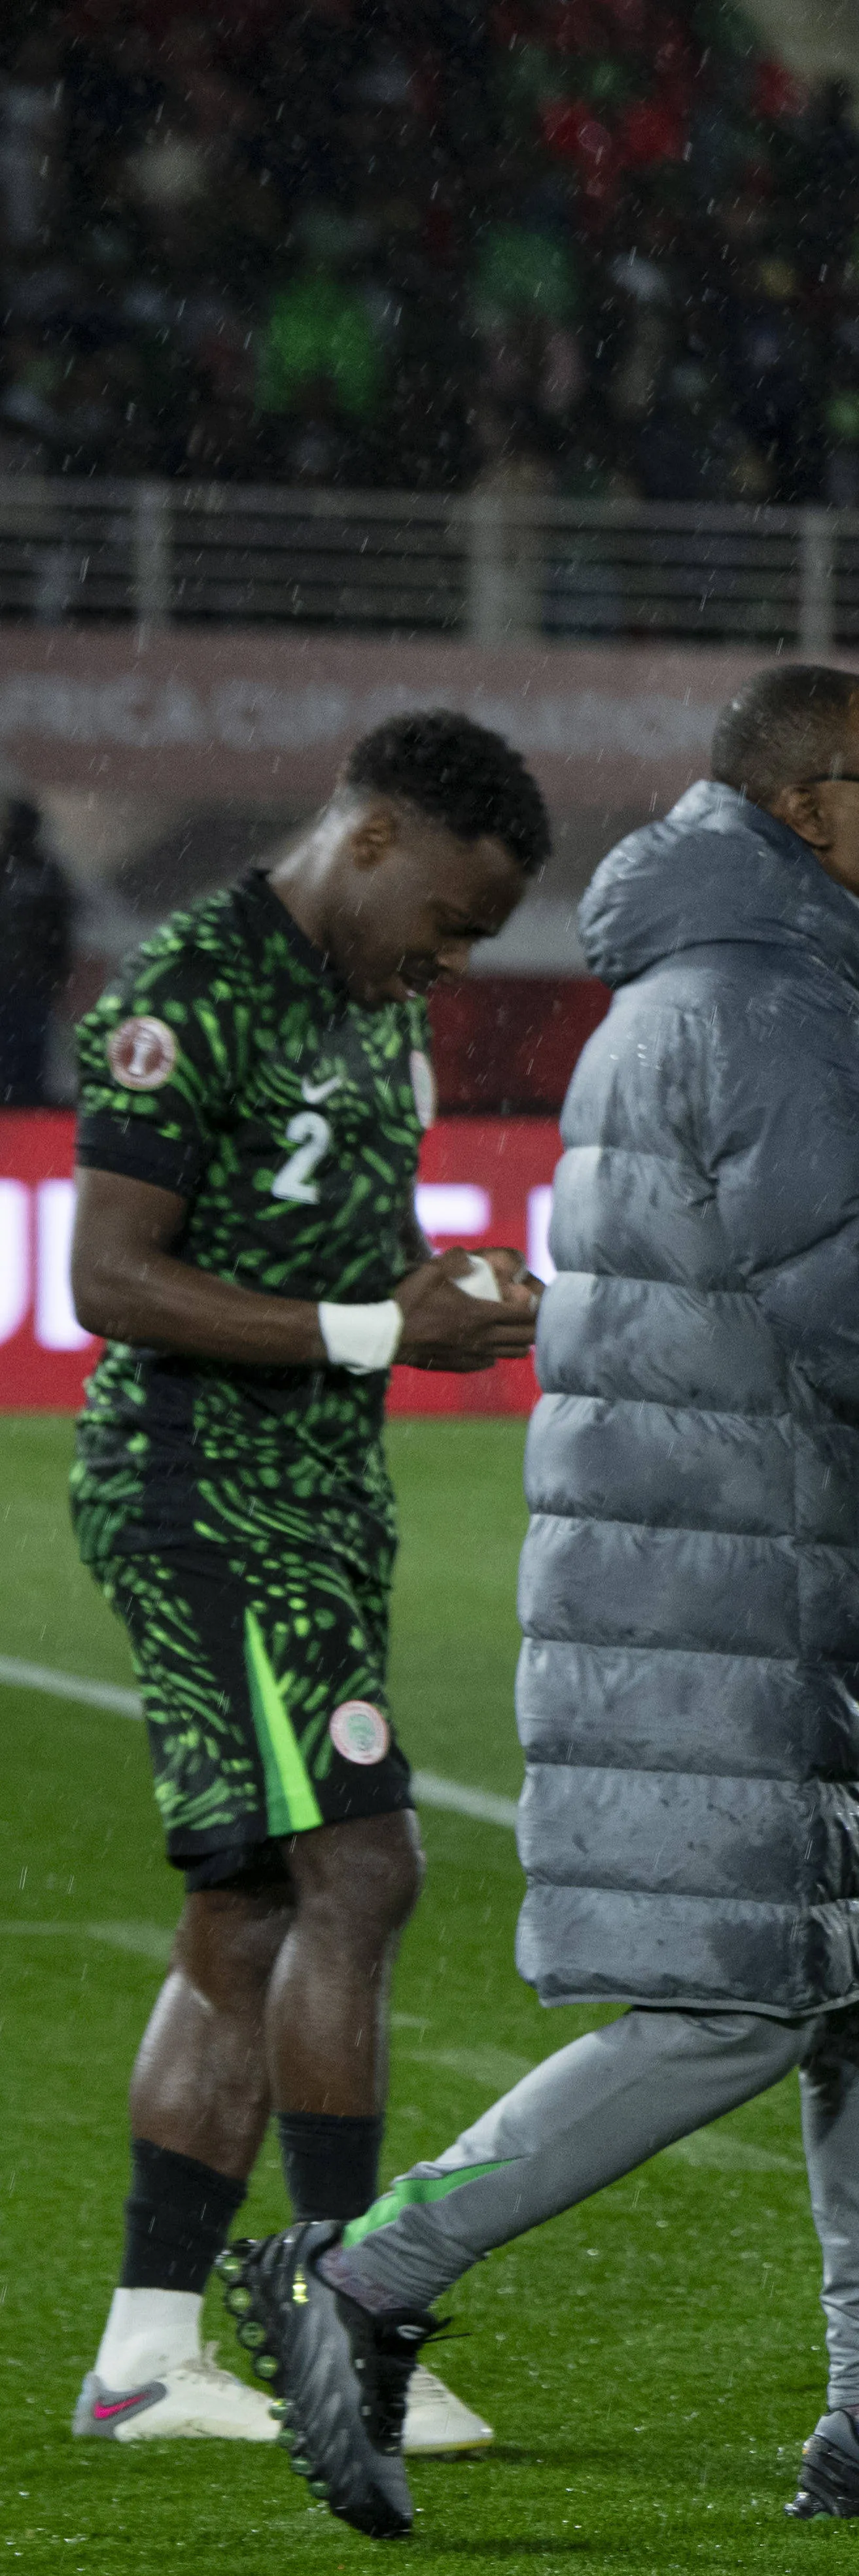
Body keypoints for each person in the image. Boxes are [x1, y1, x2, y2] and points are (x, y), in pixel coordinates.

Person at [222, 666, 859, 2541]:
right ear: (802, 807)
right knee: (737, 2004)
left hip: (793, 1575)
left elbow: (764, 1345)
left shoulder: (735, 986)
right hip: (733, 1600)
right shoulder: (766, 999)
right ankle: (360, 2276)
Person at [61, 713, 550, 2456]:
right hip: (206, 1494)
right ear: (374, 835)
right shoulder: (191, 987)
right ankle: (352, 2322)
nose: (453, 957)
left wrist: (440, 1288)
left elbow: (357, 1250)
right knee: (364, 1863)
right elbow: (108, 1278)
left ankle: (144, 2356)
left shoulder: (375, 1003)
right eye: (451, 918)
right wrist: (370, 1328)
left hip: (325, 1499)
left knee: (254, 1906)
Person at [0, 792, 74, 1107]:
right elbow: (60, 929)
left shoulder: (44, 873)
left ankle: (22, 1102)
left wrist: (57, 972)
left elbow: (60, 928)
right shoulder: (42, 873)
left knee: (27, 1048)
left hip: (29, 980)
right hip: (22, 979)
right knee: (20, 1046)